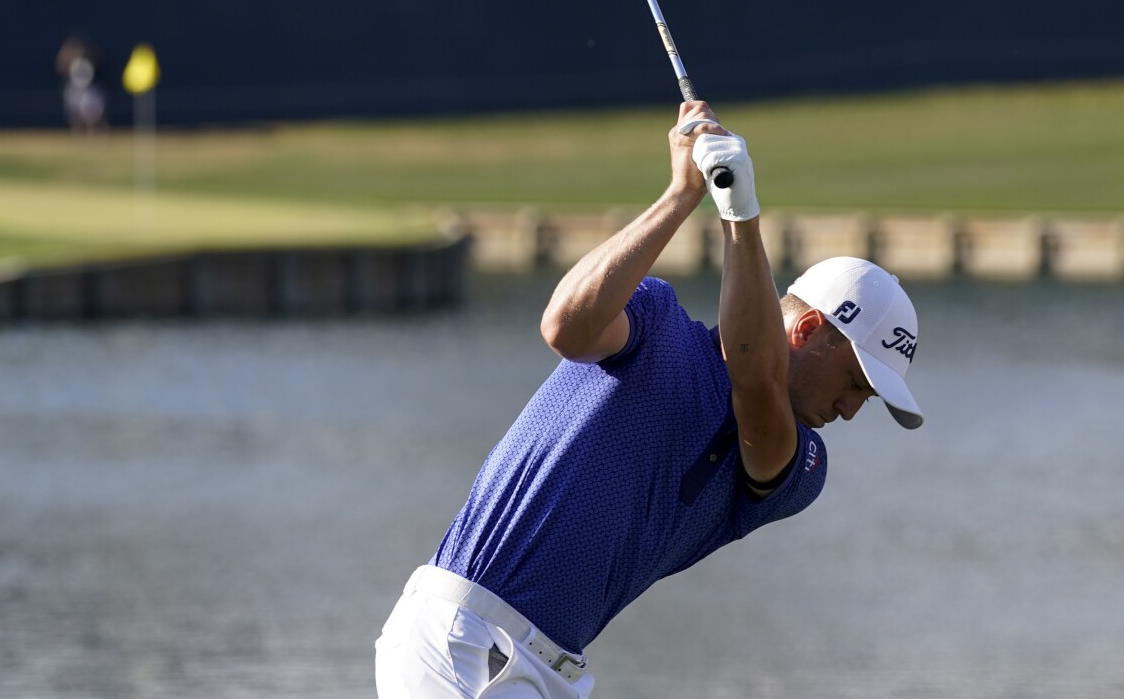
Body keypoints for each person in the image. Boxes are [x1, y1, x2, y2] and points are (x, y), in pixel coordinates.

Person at [375, 101, 926, 698]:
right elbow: (564, 327)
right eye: (855, 384)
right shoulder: (656, 320)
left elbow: (757, 381)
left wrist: (741, 214)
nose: (850, 410)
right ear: (808, 330)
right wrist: (682, 195)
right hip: (467, 639)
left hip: (554, 672)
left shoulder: (800, 467)